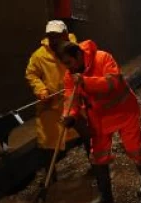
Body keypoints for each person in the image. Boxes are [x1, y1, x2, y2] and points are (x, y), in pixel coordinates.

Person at [56, 40, 141, 203]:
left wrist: (86, 82)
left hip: (124, 112)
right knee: (98, 156)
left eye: (69, 62)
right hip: (99, 117)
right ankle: (105, 195)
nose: (68, 68)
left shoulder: (102, 58)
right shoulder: (70, 76)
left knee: (134, 149)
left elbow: (113, 83)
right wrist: (69, 116)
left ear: (78, 55)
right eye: (64, 64)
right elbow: (70, 99)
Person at [25, 20, 91, 181]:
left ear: (65, 34)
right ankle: (49, 176)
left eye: (57, 36)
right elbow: (31, 74)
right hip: (51, 105)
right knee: (48, 142)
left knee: (87, 134)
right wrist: (41, 89)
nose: (54, 39)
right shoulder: (39, 56)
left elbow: (87, 66)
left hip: (75, 100)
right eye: (50, 36)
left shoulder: (76, 49)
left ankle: (96, 165)